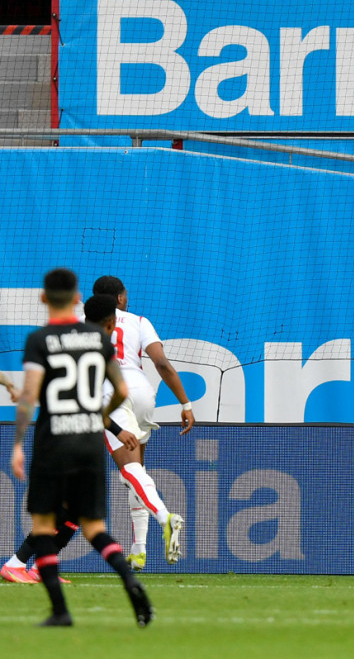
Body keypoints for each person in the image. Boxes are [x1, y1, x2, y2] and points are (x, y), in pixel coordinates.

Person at [9, 268, 153, 627]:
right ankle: (129, 579)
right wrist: (112, 425)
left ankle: (59, 610)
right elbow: (119, 392)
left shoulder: (39, 340)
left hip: (52, 441)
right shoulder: (99, 341)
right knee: (92, 526)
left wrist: (16, 444)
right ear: (77, 299)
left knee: (45, 524)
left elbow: (28, 396)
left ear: (44, 299)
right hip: (89, 441)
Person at [1, 295, 178, 584]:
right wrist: (118, 429)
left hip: (69, 435)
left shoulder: (63, 344)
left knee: (73, 510)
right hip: (68, 437)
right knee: (63, 509)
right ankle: (16, 563)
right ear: (110, 323)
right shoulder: (94, 351)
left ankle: (38, 568)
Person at [92, 275, 189, 571]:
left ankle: (165, 518)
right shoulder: (139, 321)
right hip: (143, 390)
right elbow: (161, 363)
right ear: (120, 298)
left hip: (112, 392)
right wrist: (185, 403)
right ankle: (139, 550)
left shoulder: (85, 323)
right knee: (137, 472)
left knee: (129, 470)